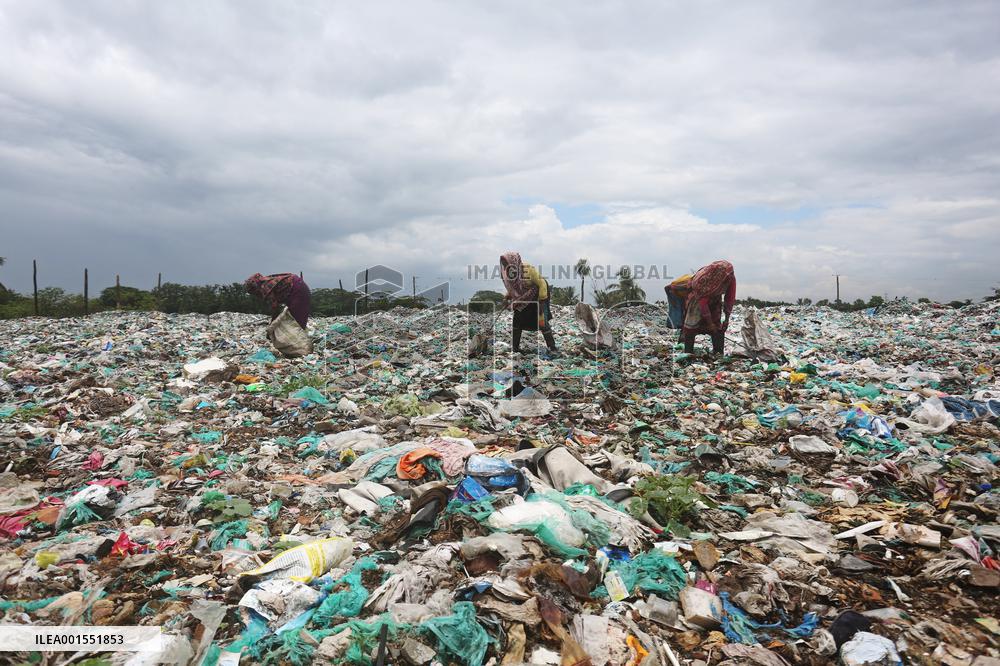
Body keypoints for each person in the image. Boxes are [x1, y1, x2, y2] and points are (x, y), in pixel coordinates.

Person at [499, 251, 557, 355]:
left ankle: (552, 348)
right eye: (505, 265)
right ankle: (515, 348)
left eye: (509, 264)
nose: (507, 267)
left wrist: (542, 302)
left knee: (542, 321)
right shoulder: (510, 273)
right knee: (517, 321)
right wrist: (507, 297)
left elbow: (542, 283)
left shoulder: (528, 269)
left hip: (536, 296)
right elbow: (515, 288)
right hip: (523, 299)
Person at [681, 260, 736, 355]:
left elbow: (729, 298)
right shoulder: (705, 280)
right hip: (697, 299)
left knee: (718, 328)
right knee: (691, 327)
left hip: (715, 300)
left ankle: (718, 354)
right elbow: (703, 303)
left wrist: (726, 319)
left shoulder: (730, 277)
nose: (727, 278)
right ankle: (688, 353)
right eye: (725, 277)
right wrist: (710, 324)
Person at [245, 273, 311, 329]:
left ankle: (298, 341)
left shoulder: (265, 287)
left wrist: (272, 326)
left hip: (298, 291)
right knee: (293, 318)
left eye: (253, 292)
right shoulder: (268, 280)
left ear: (255, 288)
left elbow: (275, 308)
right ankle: (296, 340)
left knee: (297, 320)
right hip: (298, 288)